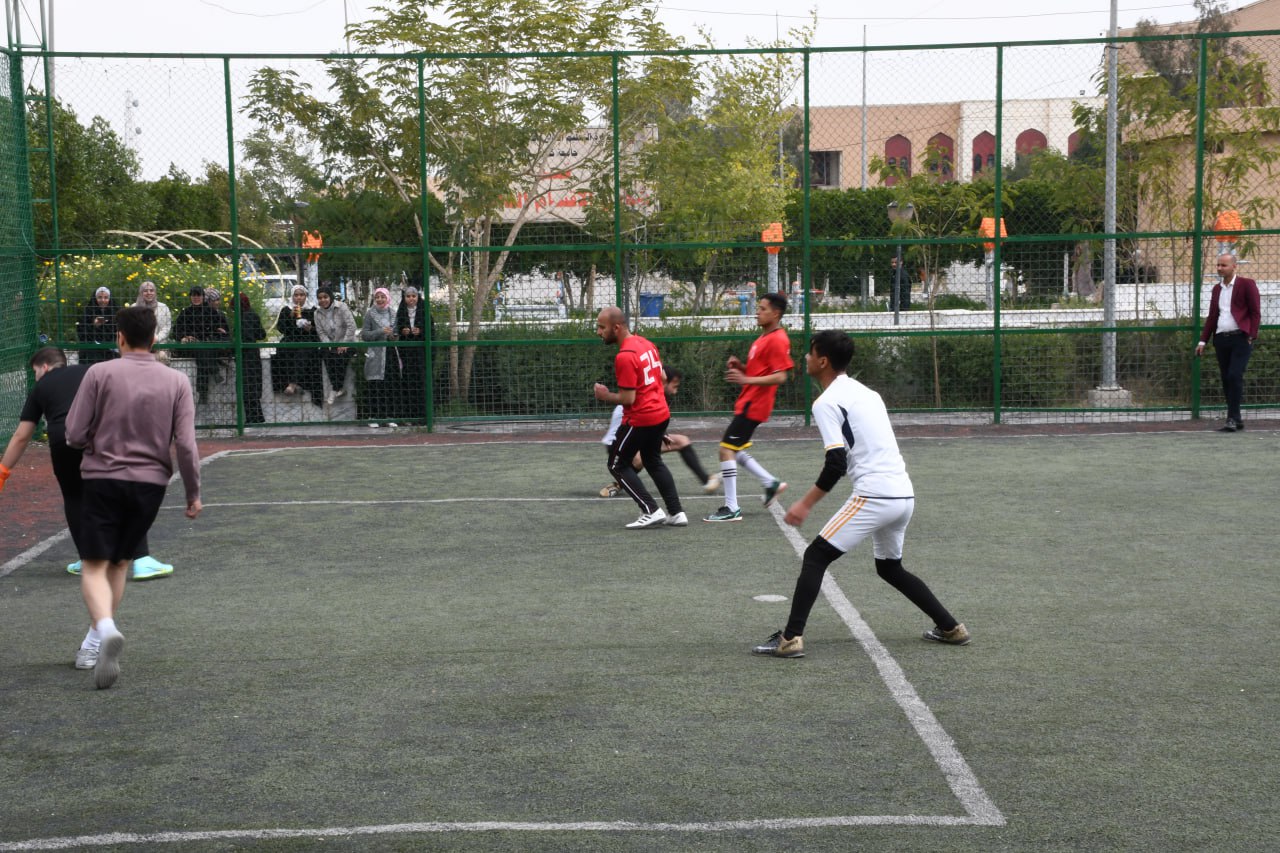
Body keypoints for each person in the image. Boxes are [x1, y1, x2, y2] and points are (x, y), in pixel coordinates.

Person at [752, 330, 968, 659]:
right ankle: (951, 627)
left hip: (875, 496)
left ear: (822, 361)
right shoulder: (869, 394)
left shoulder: (825, 403)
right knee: (890, 568)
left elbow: (836, 462)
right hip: (903, 495)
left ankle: (790, 638)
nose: (805, 359)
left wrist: (804, 504)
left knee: (815, 557)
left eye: (809, 354)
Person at [62, 307, 201, 689]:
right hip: (150, 485)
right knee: (121, 562)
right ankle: (93, 641)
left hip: (103, 478)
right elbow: (186, 445)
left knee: (92, 564)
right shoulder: (176, 381)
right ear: (155, 337)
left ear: (118, 336)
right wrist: (193, 493)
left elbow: (73, 433)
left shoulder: (99, 373)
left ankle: (104, 630)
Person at [0, 345, 176, 586]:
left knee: (74, 496)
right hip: (100, 437)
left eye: (35, 372)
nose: (36, 377)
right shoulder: (91, 372)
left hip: (62, 440)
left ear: (43, 367)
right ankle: (142, 559)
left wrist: (3, 471)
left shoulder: (41, 386)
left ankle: (88, 561)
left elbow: (21, 436)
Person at [592, 306, 686, 528]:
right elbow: (661, 377)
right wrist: (657, 429)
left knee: (617, 464)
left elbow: (628, 399)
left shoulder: (625, 356)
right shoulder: (646, 344)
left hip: (641, 418)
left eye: (601, 327)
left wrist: (604, 395)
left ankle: (651, 510)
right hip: (660, 414)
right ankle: (676, 513)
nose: (598, 332)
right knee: (653, 460)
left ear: (616, 327)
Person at [704, 291, 793, 522]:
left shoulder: (777, 339)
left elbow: (780, 376)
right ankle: (770, 483)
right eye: (758, 308)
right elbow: (759, 372)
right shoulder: (763, 338)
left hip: (755, 404)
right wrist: (742, 368)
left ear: (776, 313)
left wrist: (746, 380)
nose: (758, 312)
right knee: (734, 449)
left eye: (763, 309)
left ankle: (732, 508)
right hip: (748, 401)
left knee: (726, 449)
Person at [599, 368, 720, 497]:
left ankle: (706, 481)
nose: (675, 391)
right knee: (641, 458)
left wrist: (661, 435)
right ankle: (619, 485)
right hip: (617, 443)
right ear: (664, 382)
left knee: (682, 441)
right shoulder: (644, 398)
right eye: (675, 386)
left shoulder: (656, 396)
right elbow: (639, 424)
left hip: (637, 437)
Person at [1196, 251, 1261, 432]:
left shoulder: (1247, 285)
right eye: (1218, 265)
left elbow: (1255, 312)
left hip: (1241, 338)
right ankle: (1236, 418)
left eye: (1223, 265)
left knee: (1234, 375)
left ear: (1234, 266)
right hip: (1221, 339)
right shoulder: (1217, 289)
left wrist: (1251, 335)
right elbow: (1212, 317)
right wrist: (1203, 341)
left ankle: (1232, 418)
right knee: (1226, 378)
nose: (1219, 268)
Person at [172, 285, 231, 404]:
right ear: (190, 297)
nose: (196, 298)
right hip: (191, 345)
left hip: (207, 345)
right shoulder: (186, 312)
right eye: (193, 295)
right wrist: (184, 336)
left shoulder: (211, 312)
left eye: (198, 295)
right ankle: (214, 370)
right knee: (201, 349)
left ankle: (202, 393)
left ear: (203, 297)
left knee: (203, 352)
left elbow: (224, 329)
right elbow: (176, 331)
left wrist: (219, 330)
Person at [274, 284, 323, 405]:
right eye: (296, 295)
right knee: (282, 350)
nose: (299, 298)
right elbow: (281, 328)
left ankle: (293, 384)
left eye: (302, 295)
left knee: (303, 352)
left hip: (307, 340)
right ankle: (287, 384)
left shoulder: (313, 310)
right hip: (291, 339)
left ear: (306, 296)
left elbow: (319, 330)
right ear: (292, 296)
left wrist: (310, 328)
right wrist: (290, 317)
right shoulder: (286, 309)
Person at [314, 285, 357, 406]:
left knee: (340, 356)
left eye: (325, 297)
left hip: (347, 342)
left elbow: (351, 326)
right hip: (331, 344)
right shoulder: (317, 313)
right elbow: (321, 332)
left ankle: (335, 388)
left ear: (330, 297)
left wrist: (343, 343)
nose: (323, 300)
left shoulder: (341, 307)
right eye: (320, 298)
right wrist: (328, 345)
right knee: (326, 355)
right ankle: (338, 388)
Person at [361, 287, 398, 426]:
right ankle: (373, 416)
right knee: (375, 385)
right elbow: (364, 334)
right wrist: (380, 331)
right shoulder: (370, 314)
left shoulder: (393, 313)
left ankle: (389, 417)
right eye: (377, 297)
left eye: (383, 297)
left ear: (387, 298)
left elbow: (396, 335)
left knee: (390, 385)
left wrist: (392, 335)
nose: (380, 299)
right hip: (375, 354)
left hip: (390, 353)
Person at [395, 286, 432, 421]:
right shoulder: (401, 312)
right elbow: (396, 328)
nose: (411, 299)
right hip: (406, 354)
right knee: (408, 382)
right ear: (404, 298)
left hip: (421, 354)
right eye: (408, 296)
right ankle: (409, 415)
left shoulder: (424, 311)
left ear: (418, 297)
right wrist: (402, 331)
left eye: (413, 296)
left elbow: (431, 330)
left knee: (422, 382)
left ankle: (423, 416)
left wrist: (421, 331)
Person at [235, 293, 267, 424]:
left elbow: (245, 337)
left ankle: (252, 418)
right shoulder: (252, 314)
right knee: (253, 387)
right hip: (254, 354)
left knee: (247, 388)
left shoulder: (242, 317)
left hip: (245, 356)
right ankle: (257, 417)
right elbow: (262, 334)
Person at [76, 286, 119, 365]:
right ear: (95, 299)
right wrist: (94, 325)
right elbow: (81, 334)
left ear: (110, 299)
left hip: (111, 349)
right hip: (92, 349)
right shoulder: (88, 312)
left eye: (106, 297)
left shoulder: (116, 312)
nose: (103, 300)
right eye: (100, 297)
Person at [133, 280, 172, 363]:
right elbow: (131, 327)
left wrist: (156, 338)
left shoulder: (163, 307)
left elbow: (166, 327)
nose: (149, 293)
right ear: (141, 292)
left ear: (155, 292)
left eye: (151, 290)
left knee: (161, 356)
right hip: (139, 345)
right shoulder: (133, 308)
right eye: (145, 291)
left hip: (158, 346)